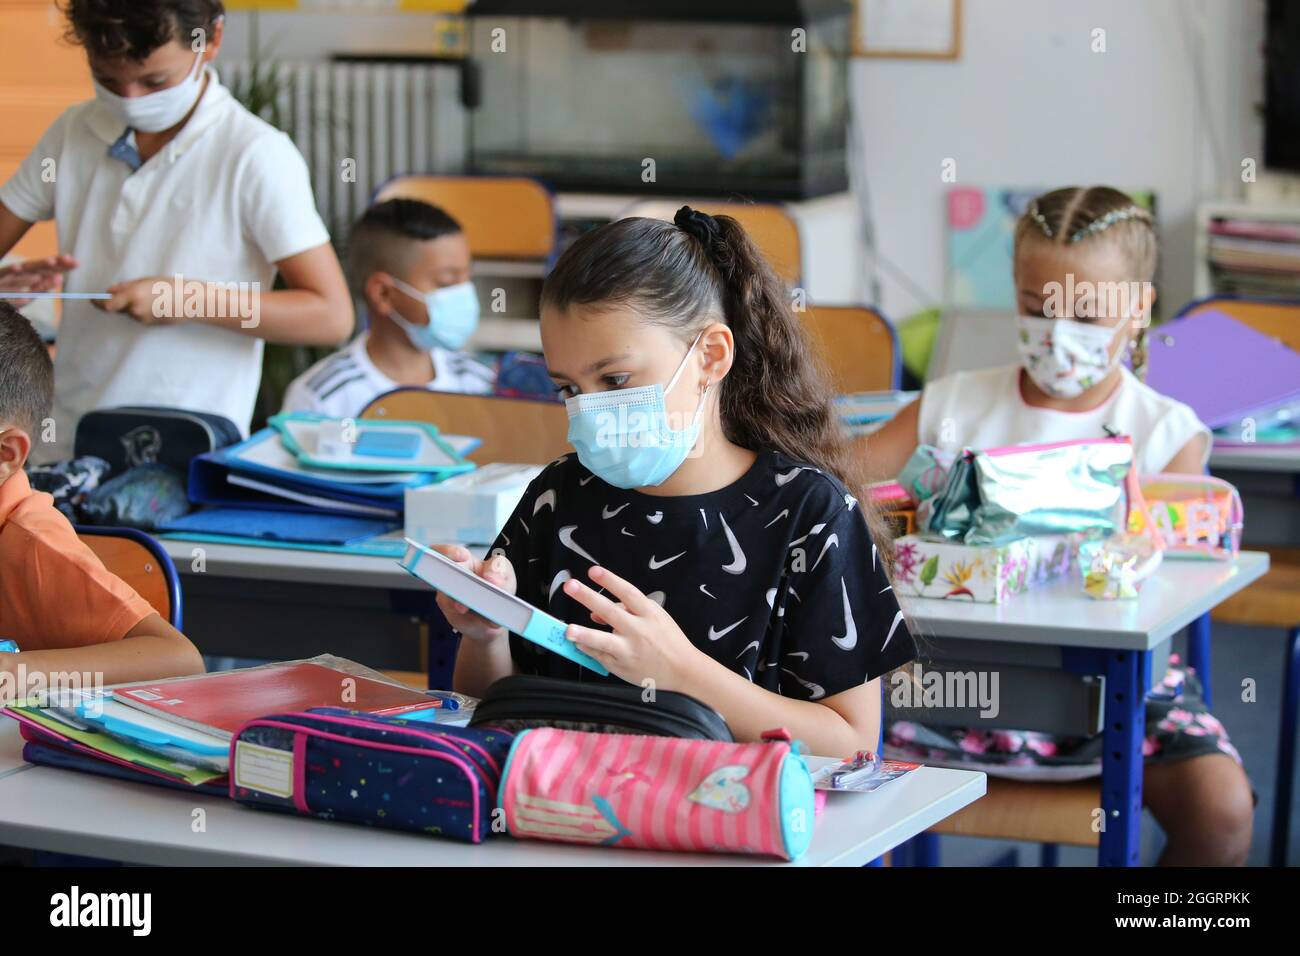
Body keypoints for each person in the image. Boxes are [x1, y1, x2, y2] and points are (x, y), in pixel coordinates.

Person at [438, 209, 915, 758]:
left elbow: (852, 745)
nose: (590, 410)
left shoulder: (810, 514)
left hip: (732, 824)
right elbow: (485, 710)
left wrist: (680, 671)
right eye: (569, 388)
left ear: (710, 356)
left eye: (615, 380)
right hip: (561, 815)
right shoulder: (557, 497)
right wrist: (487, 633)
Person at [0, 0, 353, 462]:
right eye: (108, 79)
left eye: (154, 81)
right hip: (68, 442)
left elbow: (331, 316)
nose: (131, 99)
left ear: (212, 40)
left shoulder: (254, 154)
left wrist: (186, 299)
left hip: (184, 454)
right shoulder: (73, 132)